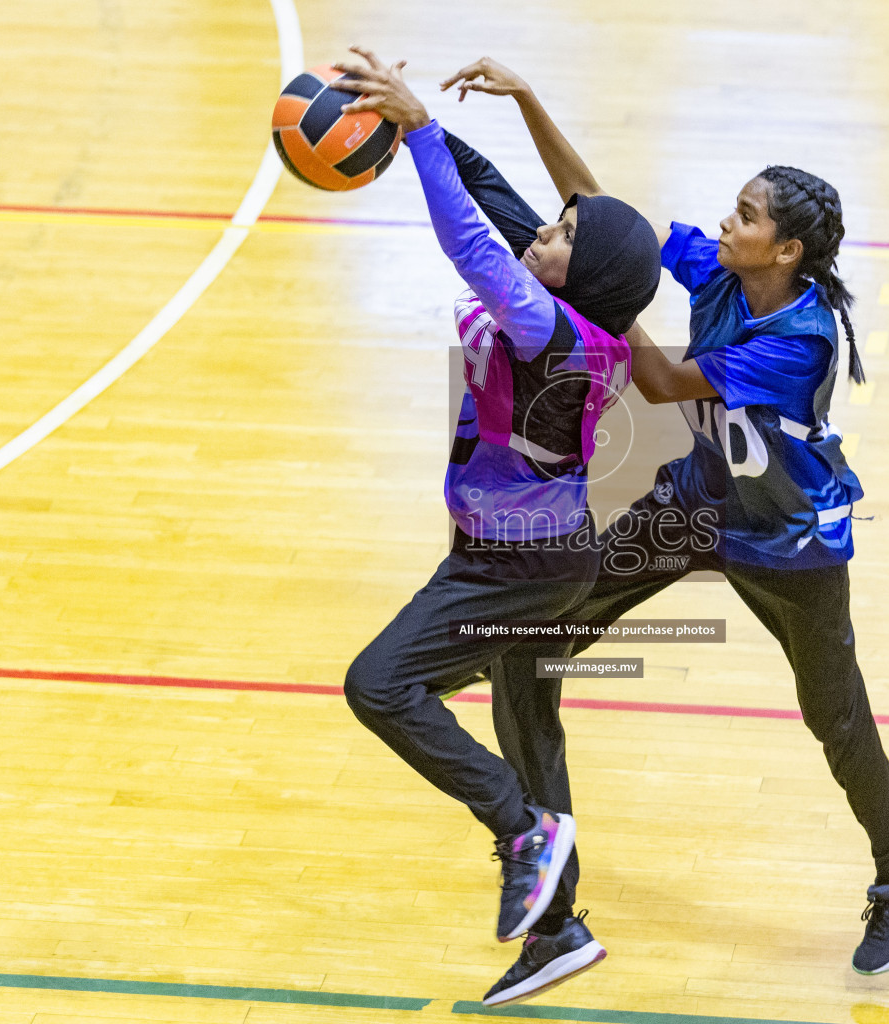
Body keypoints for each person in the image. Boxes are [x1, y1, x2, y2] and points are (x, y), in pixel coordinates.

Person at [443, 57, 889, 979]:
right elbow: (598, 215)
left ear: (786, 250)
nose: (727, 222)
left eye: (746, 216)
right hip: (699, 505)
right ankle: (554, 906)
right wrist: (529, 102)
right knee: (528, 639)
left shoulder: (796, 338)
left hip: (792, 543)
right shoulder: (721, 272)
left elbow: (664, 380)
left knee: (835, 721)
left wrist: (602, 290)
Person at [329, 48, 659, 1000]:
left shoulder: (552, 332)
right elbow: (497, 199)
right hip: (530, 555)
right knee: (528, 728)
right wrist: (409, 115)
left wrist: (424, 133)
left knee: (380, 685)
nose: (538, 235)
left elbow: (470, 242)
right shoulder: (564, 290)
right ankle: (558, 930)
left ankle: (522, 829)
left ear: (577, 273)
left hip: (514, 569)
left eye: (557, 236)